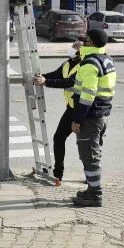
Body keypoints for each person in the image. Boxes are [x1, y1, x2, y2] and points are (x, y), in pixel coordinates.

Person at [70, 29, 116, 208]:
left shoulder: (89, 64)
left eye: (86, 39)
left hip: (90, 117)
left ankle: (95, 195)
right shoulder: (106, 59)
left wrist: (77, 120)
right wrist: (80, 49)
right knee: (93, 154)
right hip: (101, 115)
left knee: (89, 156)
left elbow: (88, 95)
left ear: (91, 42)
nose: (83, 41)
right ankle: (91, 190)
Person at [32, 41, 82, 186]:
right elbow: (56, 75)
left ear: (80, 51)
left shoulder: (83, 65)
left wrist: (46, 82)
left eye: (74, 48)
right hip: (72, 108)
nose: (71, 49)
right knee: (59, 137)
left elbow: (69, 82)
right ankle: (58, 173)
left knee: (85, 143)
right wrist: (39, 79)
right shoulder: (67, 64)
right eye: (72, 47)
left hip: (84, 109)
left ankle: (91, 176)